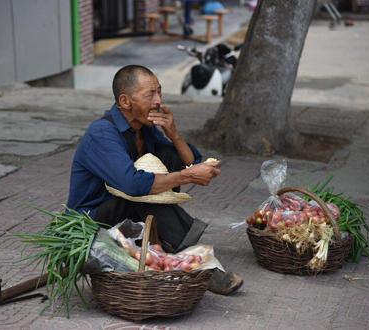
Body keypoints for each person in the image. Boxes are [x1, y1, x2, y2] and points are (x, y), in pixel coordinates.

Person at [67, 64, 243, 295]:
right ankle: (201, 265)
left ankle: (176, 252)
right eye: (150, 94)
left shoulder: (145, 129)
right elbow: (132, 184)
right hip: (91, 218)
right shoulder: (101, 133)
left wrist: (174, 134)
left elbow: (188, 161)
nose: (158, 100)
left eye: (159, 92)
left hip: (124, 213)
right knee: (144, 194)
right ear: (125, 101)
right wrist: (188, 175)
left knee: (167, 157)